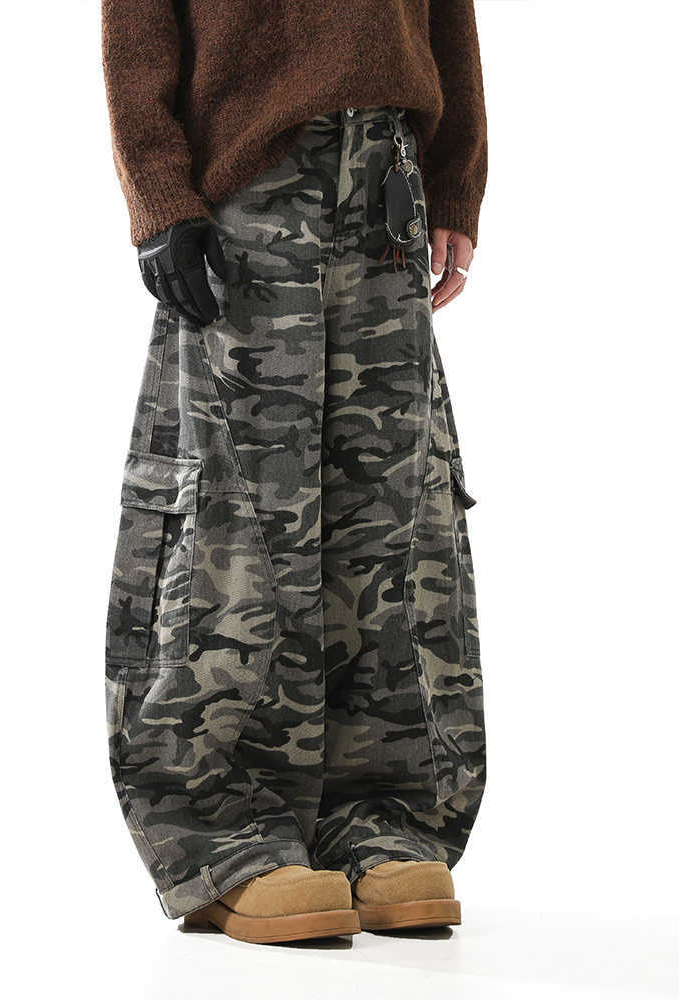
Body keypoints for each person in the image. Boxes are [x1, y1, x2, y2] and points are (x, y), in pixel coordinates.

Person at [102, 0, 487, 945]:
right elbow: (136, 23)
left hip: (387, 184)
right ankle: (225, 832)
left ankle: (377, 817)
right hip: (244, 187)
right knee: (236, 516)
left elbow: (448, 13)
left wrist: (454, 182)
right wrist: (158, 190)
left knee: (392, 509)